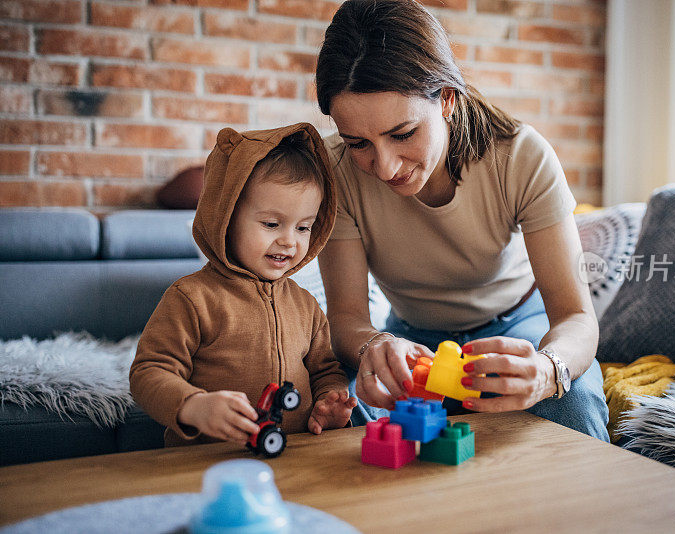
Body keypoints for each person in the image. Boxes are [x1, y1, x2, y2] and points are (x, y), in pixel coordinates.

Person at [314, 0, 609, 440]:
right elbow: (347, 318)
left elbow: (576, 318)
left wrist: (549, 370)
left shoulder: (520, 157)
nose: (385, 166)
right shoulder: (336, 173)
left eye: (403, 134)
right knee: (344, 411)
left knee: (575, 402)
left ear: (447, 99)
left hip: (516, 324)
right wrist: (374, 345)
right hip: (411, 338)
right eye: (358, 143)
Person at [130, 124, 356, 447]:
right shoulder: (192, 298)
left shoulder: (306, 305)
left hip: (296, 457)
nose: (289, 241)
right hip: (206, 462)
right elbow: (148, 372)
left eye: (304, 227)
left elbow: (325, 370)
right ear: (226, 216)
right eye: (271, 223)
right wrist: (193, 405)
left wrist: (330, 400)